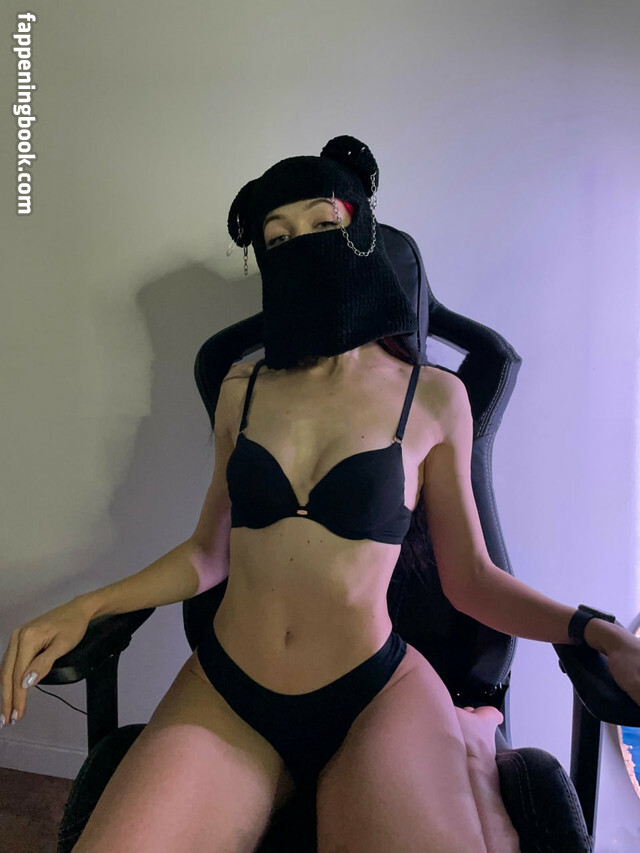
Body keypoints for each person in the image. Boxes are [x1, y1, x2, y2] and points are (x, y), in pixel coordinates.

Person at [2, 135, 640, 853]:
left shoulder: (434, 397)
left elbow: (471, 580)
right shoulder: (241, 388)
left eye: (321, 222)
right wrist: (87, 604)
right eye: (277, 238)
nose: (299, 245)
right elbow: (207, 555)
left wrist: (599, 631)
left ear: (360, 226)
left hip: (373, 694)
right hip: (228, 690)